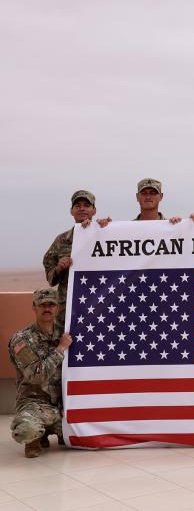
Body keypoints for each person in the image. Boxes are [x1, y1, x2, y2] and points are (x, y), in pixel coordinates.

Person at [8, 288, 72, 458]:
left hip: (63, 405)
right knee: (27, 431)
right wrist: (61, 349)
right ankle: (35, 438)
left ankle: (51, 431)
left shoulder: (67, 335)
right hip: (35, 404)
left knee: (88, 430)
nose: (47, 308)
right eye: (42, 304)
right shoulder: (22, 340)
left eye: (51, 304)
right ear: (34, 307)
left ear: (57, 307)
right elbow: (37, 376)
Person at [43, 190, 97, 328]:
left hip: (98, 308)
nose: (82, 208)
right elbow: (51, 278)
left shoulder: (104, 235)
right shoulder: (61, 241)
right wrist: (59, 268)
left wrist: (105, 228)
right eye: (77, 205)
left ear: (94, 210)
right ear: (71, 211)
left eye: (86, 205)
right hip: (67, 312)